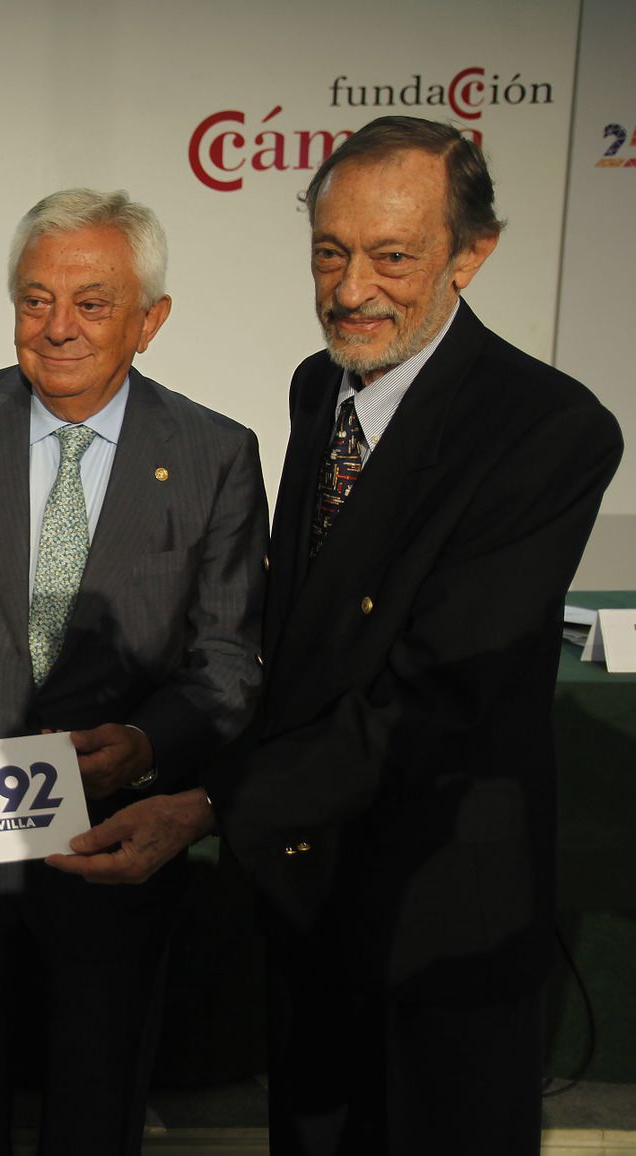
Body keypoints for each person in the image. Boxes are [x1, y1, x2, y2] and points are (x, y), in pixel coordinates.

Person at [51, 117, 624, 1153]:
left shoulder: (550, 430)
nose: (351, 287)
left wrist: (212, 802)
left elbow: (434, 697)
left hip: (439, 922)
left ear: (471, 253)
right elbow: (304, 642)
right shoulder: (321, 388)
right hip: (307, 901)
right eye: (329, 251)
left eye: (392, 256)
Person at [0, 189, 267, 1154]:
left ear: (149, 321)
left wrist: (154, 742)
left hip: (113, 848)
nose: (58, 327)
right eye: (35, 300)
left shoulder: (214, 454)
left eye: (92, 302)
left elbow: (229, 658)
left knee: (95, 1119)